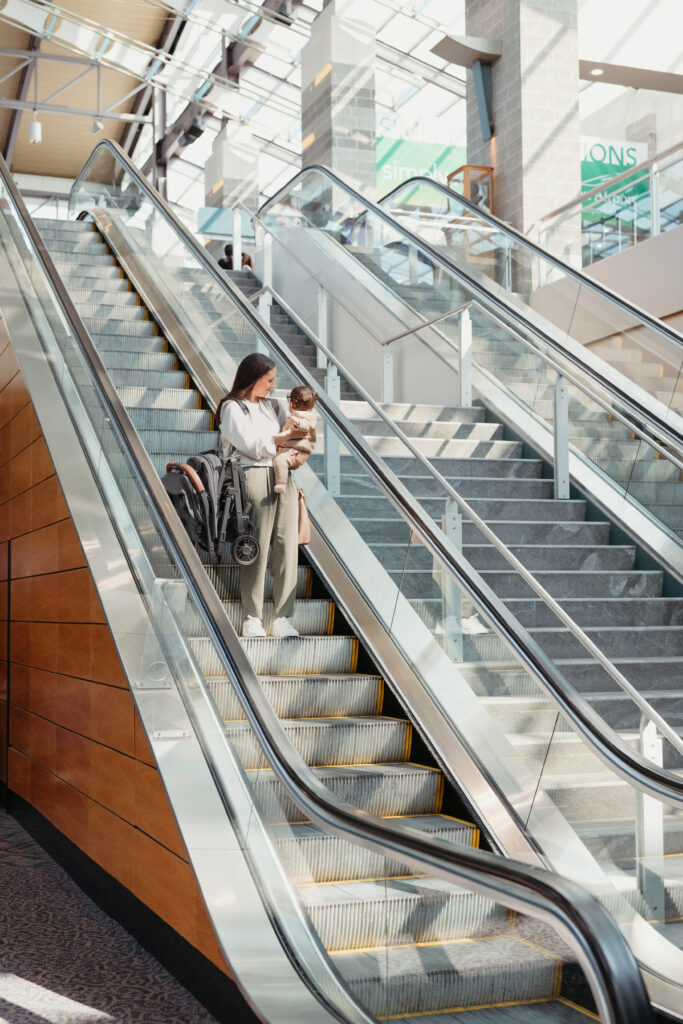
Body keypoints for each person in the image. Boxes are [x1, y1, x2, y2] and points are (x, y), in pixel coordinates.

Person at [217, 353, 307, 639]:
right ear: (253, 377)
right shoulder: (232, 407)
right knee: (255, 547)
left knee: (287, 547)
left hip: (284, 477)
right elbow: (251, 446)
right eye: (268, 380)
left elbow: (291, 441)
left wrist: (288, 446)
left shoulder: (274, 407)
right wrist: (278, 442)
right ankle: (252, 617)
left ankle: (283, 618)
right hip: (253, 476)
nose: (271, 385)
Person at [272, 385, 317, 493]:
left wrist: (298, 424)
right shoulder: (298, 415)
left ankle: (281, 483)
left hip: (293, 450)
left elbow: (307, 425)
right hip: (291, 449)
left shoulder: (303, 415)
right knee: (279, 460)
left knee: (280, 460)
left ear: (292, 403)